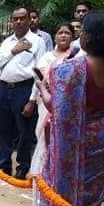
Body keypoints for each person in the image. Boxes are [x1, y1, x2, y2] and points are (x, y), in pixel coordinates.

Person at [33, 11, 104, 206]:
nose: (79, 36)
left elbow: (59, 110)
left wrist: (42, 88)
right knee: (90, 192)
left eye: (83, 31)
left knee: (61, 190)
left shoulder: (75, 68)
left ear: (92, 37)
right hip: (101, 134)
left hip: (74, 139)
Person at [0, 7, 47, 177]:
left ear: (29, 20)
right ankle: (4, 165)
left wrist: (32, 100)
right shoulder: (8, 42)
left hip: (24, 88)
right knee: (3, 128)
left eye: (23, 18)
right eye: (16, 19)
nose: (19, 22)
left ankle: (22, 167)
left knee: (24, 131)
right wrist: (13, 51)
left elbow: (39, 72)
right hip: (4, 87)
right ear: (12, 21)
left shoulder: (38, 41)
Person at [29, 23, 77, 176]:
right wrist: (32, 99)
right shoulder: (47, 57)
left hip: (66, 103)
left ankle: (57, 172)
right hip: (45, 101)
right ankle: (41, 170)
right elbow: (37, 80)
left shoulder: (77, 57)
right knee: (43, 134)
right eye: (60, 32)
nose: (63, 35)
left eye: (67, 33)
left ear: (72, 37)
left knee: (60, 135)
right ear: (55, 36)